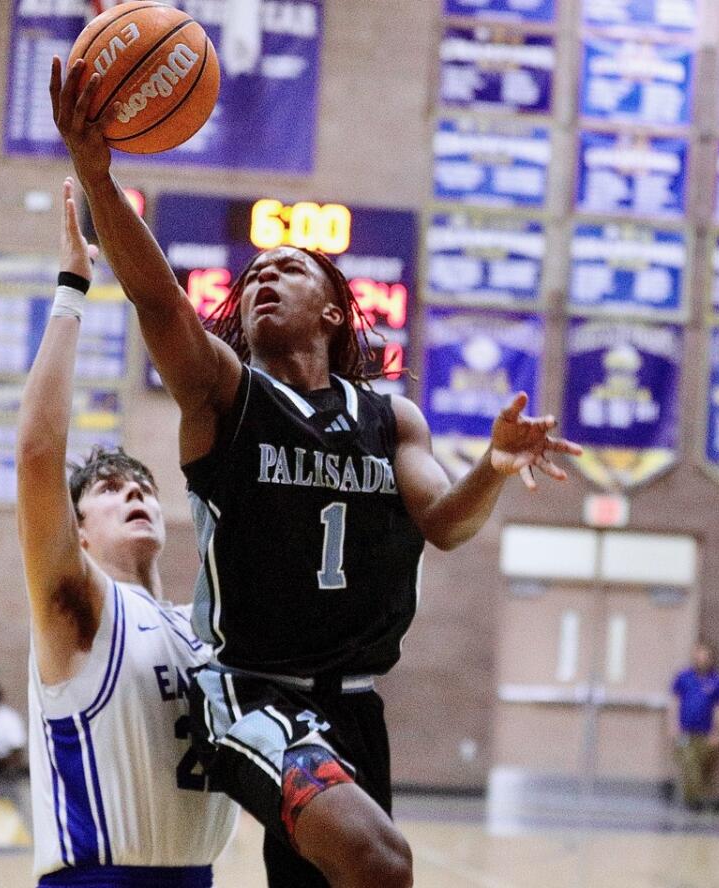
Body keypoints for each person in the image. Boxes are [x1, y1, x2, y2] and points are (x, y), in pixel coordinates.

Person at [51, 59, 582, 888]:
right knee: (379, 861)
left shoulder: (390, 418)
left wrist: (492, 466)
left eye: (286, 271)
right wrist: (97, 175)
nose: (263, 278)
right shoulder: (227, 398)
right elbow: (159, 304)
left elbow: (444, 522)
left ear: (333, 311)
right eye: (254, 274)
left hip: (357, 704)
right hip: (251, 694)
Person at [18, 180, 239, 886]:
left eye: (142, 486)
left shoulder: (202, 628)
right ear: (76, 535)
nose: (135, 495)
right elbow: (36, 456)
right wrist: (71, 292)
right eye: (111, 492)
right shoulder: (80, 609)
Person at [670, 642, 719, 810]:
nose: (701, 658)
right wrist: (673, 724)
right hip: (685, 731)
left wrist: (717, 732)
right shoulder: (683, 677)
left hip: (706, 732)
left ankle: (696, 800)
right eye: (699, 653)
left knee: (702, 768)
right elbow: (675, 701)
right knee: (689, 765)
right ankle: (694, 801)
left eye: (705, 654)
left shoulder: (717, 681)